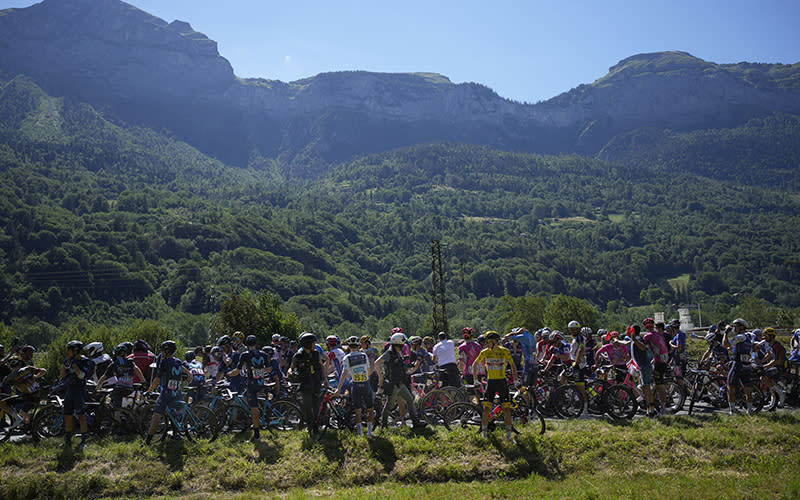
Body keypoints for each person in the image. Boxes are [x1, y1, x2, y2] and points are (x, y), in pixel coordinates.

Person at [471, 331, 518, 442]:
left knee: (506, 409)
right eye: (487, 342)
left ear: (495, 341)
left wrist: (516, 380)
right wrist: (475, 380)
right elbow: (474, 365)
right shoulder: (485, 352)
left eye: (489, 342)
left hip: (502, 382)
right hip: (491, 382)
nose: (487, 344)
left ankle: (508, 436)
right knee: (486, 409)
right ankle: (484, 433)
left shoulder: (505, 351)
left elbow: (513, 366)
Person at [144, 341, 193, 445]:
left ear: (166, 351)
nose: (161, 353)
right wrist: (188, 373)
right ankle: (176, 435)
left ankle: (148, 441)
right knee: (174, 413)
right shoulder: (178, 361)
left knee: (156, 416)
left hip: (166, 393)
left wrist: (150, 390)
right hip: (177, 392)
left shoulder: (164, 362)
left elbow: (158, 378)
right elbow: (182, 367)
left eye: (162, 351)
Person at [376, 332, 426, 428]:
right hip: (393, 385)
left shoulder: (398, 353)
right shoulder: (389, 353)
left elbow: (400, 366)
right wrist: (381, 377)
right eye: (403, 344)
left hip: (400, 383)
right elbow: (377, 363)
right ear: (398, 343)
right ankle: (383, 425)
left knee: (410, 399)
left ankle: (415, 422)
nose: (404, 346)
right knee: (389, 406)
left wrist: (410, 365)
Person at [228, 335, 272, 441]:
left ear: (247, 345)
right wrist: (260, 371)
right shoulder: (263, 354)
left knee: (253, 410)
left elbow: (238, 370)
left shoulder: (245, 355)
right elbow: (269, 369)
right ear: (256, 344)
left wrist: (229, 374)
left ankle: (256, 434)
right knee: (244, 398)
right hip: (261, 382)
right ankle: (256, 417)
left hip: (252, 385)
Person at [335, 337, 375, 436]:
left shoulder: (347, 358)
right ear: (358, 346)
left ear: (349, 346)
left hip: (355, 385)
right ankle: (370, 433)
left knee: (357, 411)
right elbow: (369, 370)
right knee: (370, 409)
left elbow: (344, 373)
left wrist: (338, 389)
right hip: (365, 383)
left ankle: (360, 433)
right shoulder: (363, 355)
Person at [289, 332, 328, 435]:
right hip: (305, 385)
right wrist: (290, 373)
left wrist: (325, 378)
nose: (315, 345)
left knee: (316, 407)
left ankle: (315, 428)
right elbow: (291, 368)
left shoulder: (316, 354)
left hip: (316, 384)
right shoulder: (298, 356)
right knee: (307, 407)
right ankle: (308, 425)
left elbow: (322, 365)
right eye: (313, 343)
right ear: (307, 344)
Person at [97, 343, 145, 422]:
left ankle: (117, 424)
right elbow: (137, 369)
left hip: (119, 388)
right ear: (126, 353)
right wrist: (143, 381)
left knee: (116, 406)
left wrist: (97, 388)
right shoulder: (130, 361)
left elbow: (103, 377)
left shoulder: (114, 364)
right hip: (130, 388)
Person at [61, 340, 94, 449]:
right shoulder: (69, 360)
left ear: (75, 351)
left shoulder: (85, 361)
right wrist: (64, 364)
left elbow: (81, 376)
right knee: (67, 415)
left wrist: (73, 365)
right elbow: (62, 375)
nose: (66, 352)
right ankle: (68, 440)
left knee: (81, 416)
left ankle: (83, 441)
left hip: (79, 390)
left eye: (69, 350)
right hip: (69, 389)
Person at [0, 357, 46, 431]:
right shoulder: (28, 368)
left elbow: (2, 385)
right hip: (37, 394)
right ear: (20, 363)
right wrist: (36, 377)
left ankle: (18, 419)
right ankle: (27, 425)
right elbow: (44, 371)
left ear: (10, 366)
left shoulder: (10, 376)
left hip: (28, 396)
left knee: (2, 403)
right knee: (24, 411)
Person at [722, 318, 754, 415]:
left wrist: (725, 333)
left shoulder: (740, 337)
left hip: (738, 364)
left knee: (730, 387)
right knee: (747, 389)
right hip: (747, 364)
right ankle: (749, 411)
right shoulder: (748, 338)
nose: (734, 328)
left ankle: (732, 410)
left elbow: (725, 344)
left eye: (735, 326)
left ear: (741, 327)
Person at [642, 317, 670, 416]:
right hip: (663, 360)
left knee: (659, 386)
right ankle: (660, 404)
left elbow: (639, 345)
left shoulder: (648, 335)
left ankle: (663, 409)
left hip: (659, 362)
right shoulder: (659, 334)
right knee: (657, 384)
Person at [567, 321, 591, 418]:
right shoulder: (576, 338)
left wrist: (576, 362)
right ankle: (576, 406)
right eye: (570, 329)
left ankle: (585, 411)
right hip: (576, 364)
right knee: (576, 387)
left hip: (579, 366)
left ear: (578, 329)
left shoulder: (579, 338)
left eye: (573, 329)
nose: (572, 331)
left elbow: (581, 350)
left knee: (581, 389)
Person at [760, 327, 787, 408]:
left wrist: (765, 366)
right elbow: (768, 355)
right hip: (774, 366)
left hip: (780, 367)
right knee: (769, 383)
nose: (764, 338)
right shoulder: (771, 345)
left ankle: (781, 393)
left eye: (766, 336)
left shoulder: (777, 346)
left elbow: (776, 360)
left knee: (763, 377)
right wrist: (760, 363)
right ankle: (773, 401)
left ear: (771, 336)